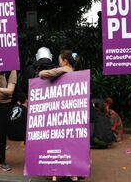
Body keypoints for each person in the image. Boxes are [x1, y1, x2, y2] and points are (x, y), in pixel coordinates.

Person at [39, 50, 81, 182]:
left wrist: (59, 70)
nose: (58, 62)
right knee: (71, 143)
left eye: (60, 60)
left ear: (65, 61)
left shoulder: (66, 70)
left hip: (62, 113)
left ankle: (57, 173)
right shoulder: (76, 72)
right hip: (72, 113)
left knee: (59, 142)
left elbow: (42, 74)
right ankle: (72, 172)